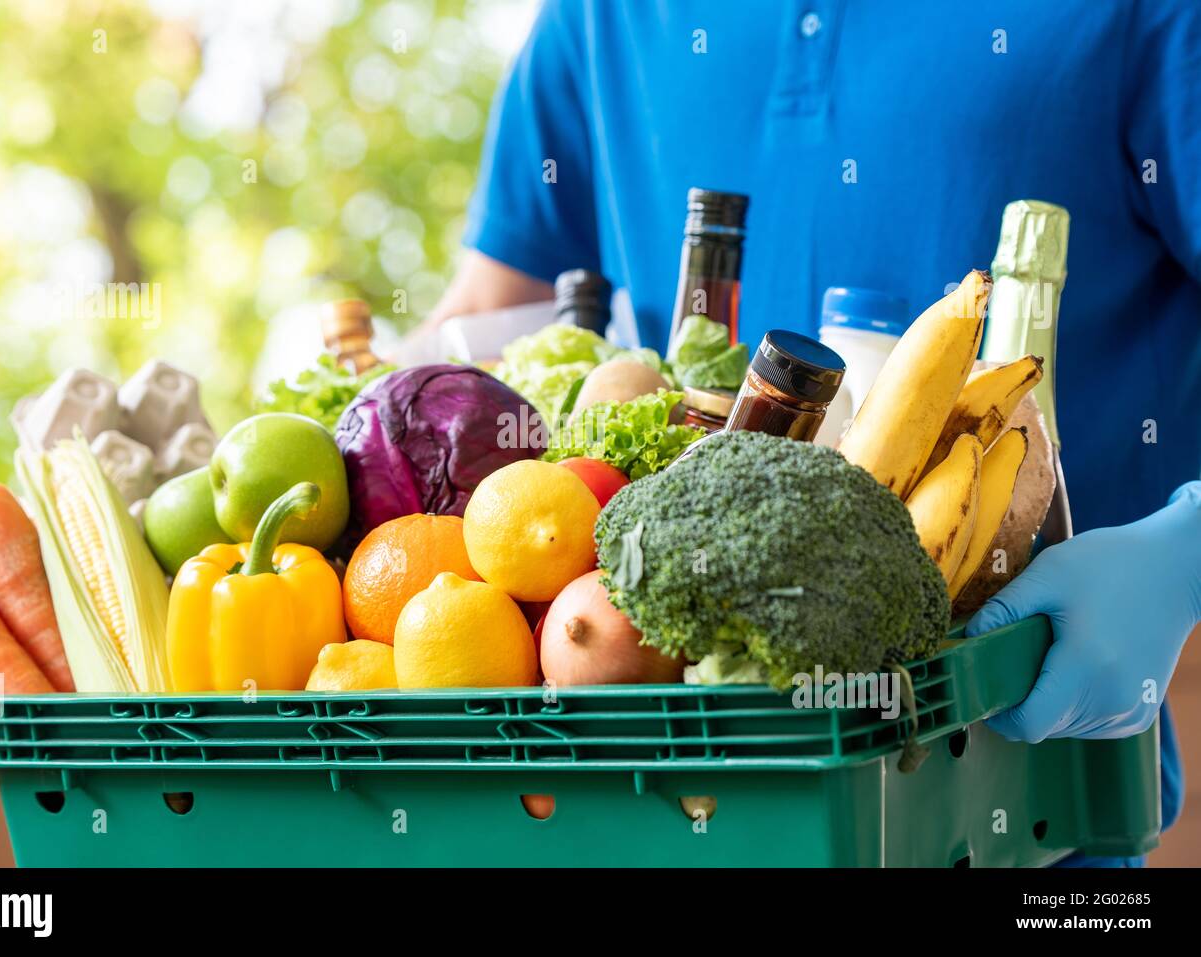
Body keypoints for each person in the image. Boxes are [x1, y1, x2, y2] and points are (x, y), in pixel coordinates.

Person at [425, 1, 1201, 865]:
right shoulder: (601, 18)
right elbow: (489, 323)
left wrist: (1185, 548)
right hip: (663, 819)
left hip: (1022, 818)